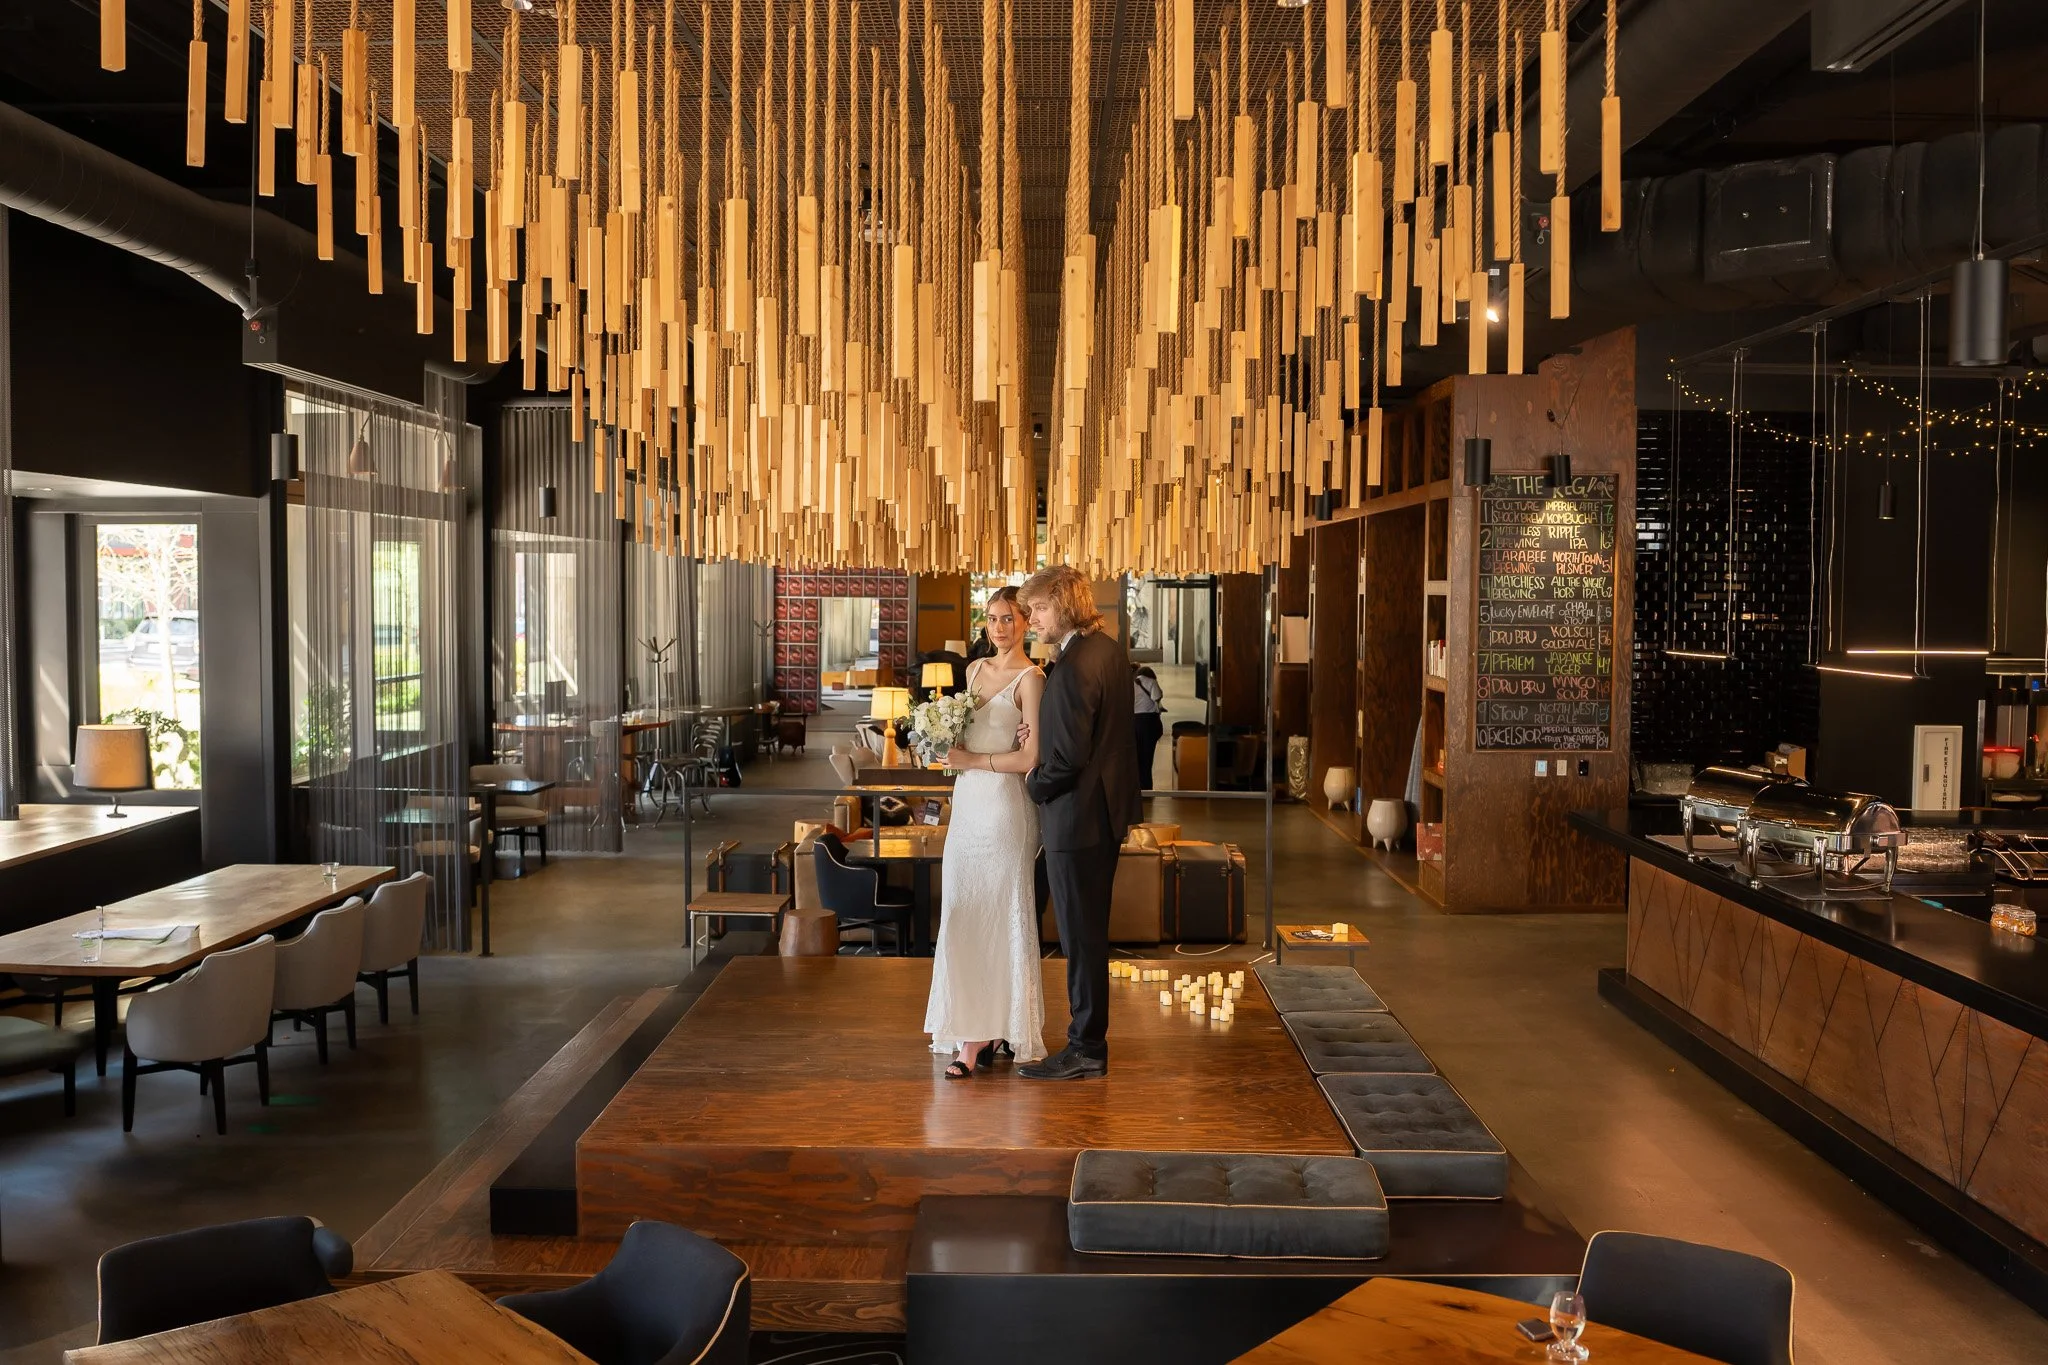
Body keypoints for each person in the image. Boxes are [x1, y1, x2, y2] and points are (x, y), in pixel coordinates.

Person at [1018, 566, 1142, 1081]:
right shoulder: (1108, 650)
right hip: (1104, 812)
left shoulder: (1072, 667)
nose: (1032, 619)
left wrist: (1032, 784)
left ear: (1065, 605)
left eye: (1039, 608)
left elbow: (1068, 759)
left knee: (1080, 939)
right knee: (1087, 934)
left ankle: (1086, 1047)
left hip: (1076, 818)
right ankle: (1087, 1042)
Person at [925, 587, 1047, 1077]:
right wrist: (938, 737)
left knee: (999, 917)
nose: (1000, 628)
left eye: (1009, 618)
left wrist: (971, 759)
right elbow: (960, 739)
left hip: (1004, 810)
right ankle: (980, 1024)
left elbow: (1030, 758)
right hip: (967, 808)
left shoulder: (1032, 679)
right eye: (993, 618)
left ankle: (975, 1041)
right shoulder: (973, 670)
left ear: (1025, 623)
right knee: (961, 913)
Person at [1132, 665, 1165, 792]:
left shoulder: (1130, 683)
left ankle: (1136, 787)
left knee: (1136, 756)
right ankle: (1146, 788)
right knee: (1147, 757)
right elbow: (1157, 697)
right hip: (1148, 722)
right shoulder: (1151, 681)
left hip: (1134, 721)